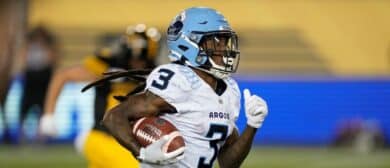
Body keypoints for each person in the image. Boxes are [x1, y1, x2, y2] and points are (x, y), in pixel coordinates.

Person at [102, 7, 269, 168]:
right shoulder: (178, 79)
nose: (223, 49)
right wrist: (142, 153)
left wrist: (253, 125)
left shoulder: (229, 89)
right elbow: (114, 117)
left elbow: (228, 163)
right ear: (188, 43)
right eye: (215, 42)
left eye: (224, 42)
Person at [40, 24, 161, 168]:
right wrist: (48, 115)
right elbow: (63, 76)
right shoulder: (107, 66)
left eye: (142, 59)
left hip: (128, 141)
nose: (137, 64)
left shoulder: (156, 73)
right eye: (134, 58)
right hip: (104, 138)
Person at [20, 26, 58, 138]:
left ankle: (41, 136)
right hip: (31, 79)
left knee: (42, 109)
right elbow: (24, 59)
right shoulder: (29, 46)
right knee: (25, 109)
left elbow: (53, 59)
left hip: (43, 79)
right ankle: (22, 136)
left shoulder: (49, 47)